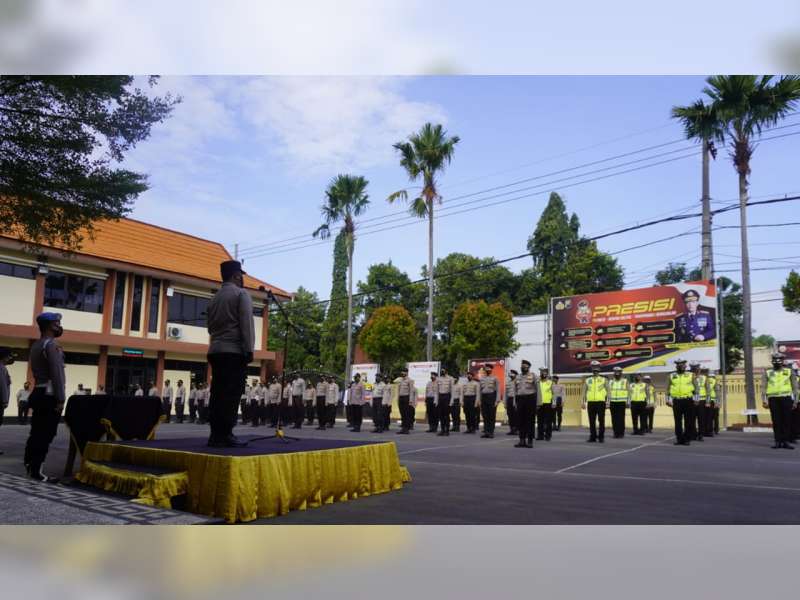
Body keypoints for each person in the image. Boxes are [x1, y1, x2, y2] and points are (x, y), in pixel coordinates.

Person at [206, 259, 254, 448]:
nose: (242, 279)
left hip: (216, 350)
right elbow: (247, 325)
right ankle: (226, 433)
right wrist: (249, 349)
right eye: (241, 275)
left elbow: (210, 328)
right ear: (236, 275)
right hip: (233, 352)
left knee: (217, 393)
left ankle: (215, 434)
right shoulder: (241, 294)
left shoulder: (214, 298)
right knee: (231, 394)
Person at [24, 312, 66, 482]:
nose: (59, 326)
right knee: (46, 433)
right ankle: (37, 471)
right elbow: (57, 374)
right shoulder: (51, 345)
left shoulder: (36, 345)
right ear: (50, 326)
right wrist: (61, 398)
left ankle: (29, 464)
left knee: (36, 432)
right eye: (57, 323)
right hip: (49, 395)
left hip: (38, 392)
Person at [762, 352, 797, 450]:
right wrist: (764, 400)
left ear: (782, 361)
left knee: (787, 420)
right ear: (772, 361)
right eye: (775, 359)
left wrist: (795, 401)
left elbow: (795, 388)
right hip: (773, 399)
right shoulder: (767, 372)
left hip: (786, 398)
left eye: (779, 359)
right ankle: (777, 441)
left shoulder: (789, 371)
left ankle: (785, 441)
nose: (777, 361)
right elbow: (763, 387)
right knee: (776, 421)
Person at [666, 358, 695, 446]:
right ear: (676, 366)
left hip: (688, 400)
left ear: (685, 365)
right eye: (678, 364)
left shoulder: (691, 375)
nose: (681, 365)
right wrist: (668, 400)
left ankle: (687, 439)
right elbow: (668, 389)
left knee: (688, 421)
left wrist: (696, 400)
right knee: (678, 421)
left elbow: (696, 389)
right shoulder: (671, 375)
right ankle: (679, 439)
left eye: (682, 364)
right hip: (676, 401)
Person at [582, 361, 609, 443]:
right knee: (591, 420)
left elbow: (608, 392)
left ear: (599, 369)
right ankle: (593, 437)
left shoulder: (604, 379)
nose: (595, 369)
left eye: (596, 367)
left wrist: (608, 402)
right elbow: (584, 392)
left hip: (601, 402)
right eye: (593, 368)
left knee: (601, 420)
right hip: (591, 403)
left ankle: (601, 437)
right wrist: (583, 402)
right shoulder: (587, 380)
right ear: (591, 369)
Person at [514, 360, 538, 448]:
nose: (522, 367)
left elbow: (537, 389)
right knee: (520, 420)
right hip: (520, 399)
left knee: (530, 421)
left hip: (530, 398)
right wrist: (514, 402)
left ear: (528, 367)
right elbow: (515, 390)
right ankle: (522, 440)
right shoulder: (518, 377)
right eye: (522, 366)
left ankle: (530, 441)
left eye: (524, 366)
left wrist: (538, 402)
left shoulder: (533, 375)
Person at [478, 364, 500, 438]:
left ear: (491, 370)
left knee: (491, 415)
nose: (487, 370)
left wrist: (497, 400)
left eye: (489, 369)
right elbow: (479, 390)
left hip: (491, 397)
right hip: (484, 397)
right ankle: (486, 431)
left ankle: (491, 432)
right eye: (486, 369)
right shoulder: (482, 379)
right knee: (485, 415)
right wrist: (479, 400)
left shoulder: (495, 378)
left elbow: (498, 390)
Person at [608, 367, 629, 438]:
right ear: (614, 373)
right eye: (615, 372)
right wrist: (608, 402)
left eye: (618, 372)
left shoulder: (625, 381)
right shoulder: (610, 382)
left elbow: (629, 392)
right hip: (613, 402)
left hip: (621, 402)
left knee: (621, 418)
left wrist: (628, 402)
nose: (617, 374)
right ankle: (615, 433)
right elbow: (608, 393)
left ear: (621, 373)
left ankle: (621, 433)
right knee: (614, 418)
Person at [0, 348, 13, 455]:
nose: (9, 358)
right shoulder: (1, 368)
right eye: (8, 356)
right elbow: (3, 385)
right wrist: (4, 400)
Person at [536, 367, 553, 441]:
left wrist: (554, 403)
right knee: (540, 420)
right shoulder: (538, 382)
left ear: (547, 373)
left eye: (545, 372)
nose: (543, 374)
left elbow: (554, 393)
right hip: (539, 403)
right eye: (542, 372)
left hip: (548, 403)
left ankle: (548, 436)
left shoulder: (550, 382)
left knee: (548, 420)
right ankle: (540, 436)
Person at [395, 369, 415, 434]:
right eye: (402, 371)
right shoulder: (400, 380)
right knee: (402, 413)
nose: (402, 373)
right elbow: (398, 390)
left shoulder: (410, 380)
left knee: (406, 414)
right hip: (401, 398)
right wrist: (397, 398)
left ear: (407, 372)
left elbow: (411, 391)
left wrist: (411, 400)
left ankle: (406, 428)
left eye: (404, 372)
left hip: (406, 398)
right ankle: (403, 428)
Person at [436, 368, 455, 436]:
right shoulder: (438, 379)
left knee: (446, 415)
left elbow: (452, 391)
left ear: (446, 371)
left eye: (443, 370)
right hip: (440, 397)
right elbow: (437, 391)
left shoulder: (450, 378)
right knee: (441, 415)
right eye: (442, 370)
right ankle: (442, 429)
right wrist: (436, 401)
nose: (442, 371)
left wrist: (451, 401)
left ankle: (447, 430)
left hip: (447, 397)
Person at [691, 363, 706, 441]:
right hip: (692, 401)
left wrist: (708, 401)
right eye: (695, 370)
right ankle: (694, 434)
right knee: (691, 418)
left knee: (701, 418)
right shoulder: (690, 377)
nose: (697, 371)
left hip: (701, 401)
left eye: (698, 369)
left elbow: (709, 390)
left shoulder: (704, 378)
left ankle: (701, 434)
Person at [707, 370, 721, 436]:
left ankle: (710, 430)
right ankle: (716, 430)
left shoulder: (706, 380)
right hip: (714, 401)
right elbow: (717, 393)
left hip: (708, 400)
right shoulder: (715, 382)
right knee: (715, 417)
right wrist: (718, 403)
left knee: (709, 417)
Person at [505, 369, 518, 436]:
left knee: (516, 415)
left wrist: (516, 402)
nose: (511, 375)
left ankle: (516, 429)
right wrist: (505, 403)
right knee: (510, 415)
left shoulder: (518, 382)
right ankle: (511, 429)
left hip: (515, 400)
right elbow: (505, 393)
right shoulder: (508, 382)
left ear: (515, 375)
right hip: (509, 400)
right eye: (510, 373)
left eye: (512, 374)